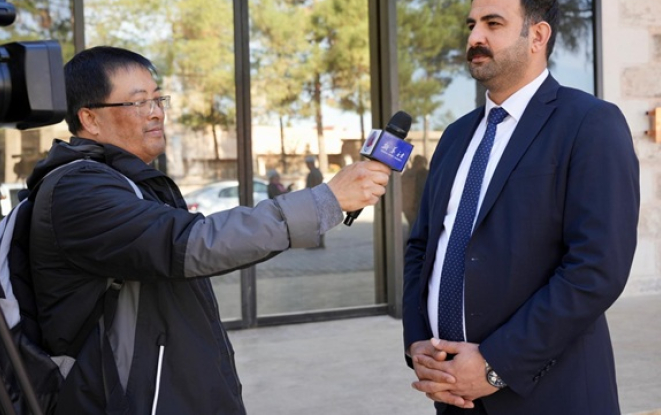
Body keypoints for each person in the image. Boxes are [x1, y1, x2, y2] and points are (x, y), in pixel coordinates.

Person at [25, 46, 391, 414]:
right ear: (90, 118)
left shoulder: (128, 182)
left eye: (158, 99)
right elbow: (192, 243)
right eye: (138, 102)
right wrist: (324, 201)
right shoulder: (78, 191)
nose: (156, 112)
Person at [402, 0, 640, 415]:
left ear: (537, 35)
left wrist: (495, 364)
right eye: (471, 25)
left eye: (493, 24)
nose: (475, 37)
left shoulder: (590, 124)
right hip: (452, 395)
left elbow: (596, 268)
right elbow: (421, 248)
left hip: (550, 396)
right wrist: (417, 343)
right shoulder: (455, 137)